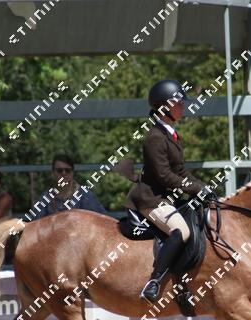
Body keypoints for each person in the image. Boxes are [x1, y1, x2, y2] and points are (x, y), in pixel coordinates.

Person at [124, 79, 213, 302]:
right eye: (178, 103)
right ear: (164, 107)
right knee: (181, 231)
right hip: (150, 199)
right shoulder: (154, 137)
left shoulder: (170, 134)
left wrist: (203, 187)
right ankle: (153, 282)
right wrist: (195, 188)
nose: (183, 106)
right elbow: (164, 175)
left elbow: (180, 171)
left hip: (165, 198)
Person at [30, 154, 108, 219]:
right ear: (53, 173)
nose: (64, 173)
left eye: (67, 170)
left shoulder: (84, 195)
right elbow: (37, 224)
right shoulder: (46, 197)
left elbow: (103, 220)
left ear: (72, 173)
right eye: (59, 170)